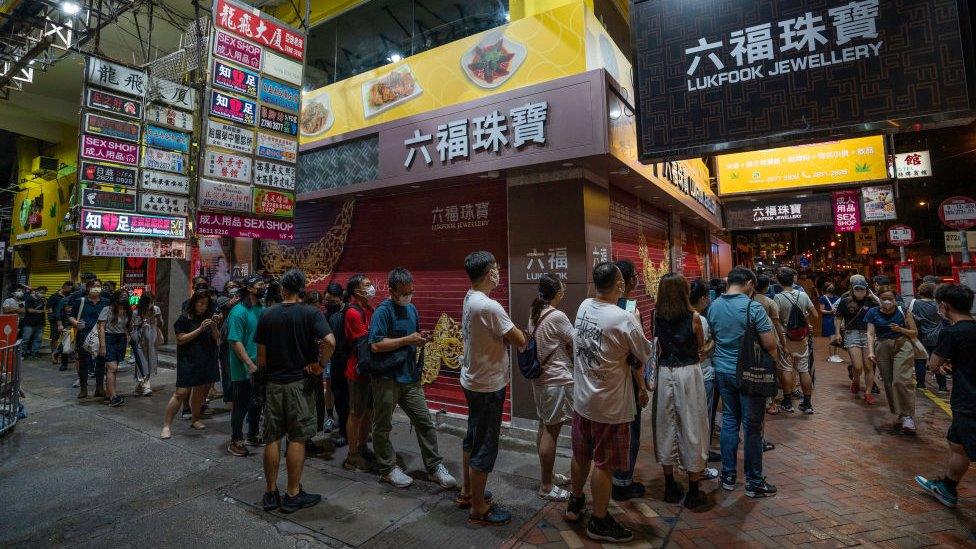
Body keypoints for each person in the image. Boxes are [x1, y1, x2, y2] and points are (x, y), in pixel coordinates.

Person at [565, 262, 652, 542]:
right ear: (620, 285)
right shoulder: (623, 318)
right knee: (604, 464)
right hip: (610, 406)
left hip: (583, 401)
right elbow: (645, 352)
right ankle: (599, 521)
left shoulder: (584, 306)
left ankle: (575, 502)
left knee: (581, 455)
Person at [368, 267, 457, 489]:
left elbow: (412, 337)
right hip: (387, 378)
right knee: (382, 425)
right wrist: (408, 339)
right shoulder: (383, 312)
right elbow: (376, 344)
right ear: (391, 291)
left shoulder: (412, 309)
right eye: (403, 292)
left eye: (411, 291)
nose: (408, 296)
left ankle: (434, 467)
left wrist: (420, 338)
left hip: (410, 379)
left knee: (424, 422)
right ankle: (387, 468)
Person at [255, 269, 335, 514]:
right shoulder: (311, 313)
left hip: (274, 384)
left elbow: (261, 359)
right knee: (297, 438)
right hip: (301, 383)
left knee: (272, 437)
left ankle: (270, 493)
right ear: (302, 288)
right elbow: (330, 341)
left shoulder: (267, 315)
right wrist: (320, 365)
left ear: (282, 289)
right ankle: (292, 493)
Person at [458, 251, 525, 526]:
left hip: (472, 379)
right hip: (487, 384)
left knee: (472, 436)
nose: (499, 272)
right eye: (496, 268)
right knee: (485, 445)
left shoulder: (469, 297)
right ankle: (479, 509)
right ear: (488, 273)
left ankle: (467, 491)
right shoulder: (489, 306)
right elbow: (518, 338)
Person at [707, 267, 778, 498]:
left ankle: (727, 476)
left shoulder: (714, 306)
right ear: (748, 283)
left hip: (722, 371)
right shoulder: (753, 307)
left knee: (729, 420)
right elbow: (769, 344)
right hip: (750, 373)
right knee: (752, 426)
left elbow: (713, 337)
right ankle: (754, 481)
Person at [915, 284, 976, 507]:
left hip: (967, 400)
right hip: (965, 397)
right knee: (957, 444)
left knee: (967, 445)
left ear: (944, 306)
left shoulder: (951, 332)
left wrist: (942, 365)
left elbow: (933, 364)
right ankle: (947, 488)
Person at [653, 273, 710, 509]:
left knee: (666, 426)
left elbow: (658, 345)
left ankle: (669, 485)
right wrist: (711, 344)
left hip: (665, 371)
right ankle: (694, 490)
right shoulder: (694, 317)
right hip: (689, 373)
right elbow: (701, 347)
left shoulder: (657, 315)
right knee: (693, 425)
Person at [526, 273, 574, 501]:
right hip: (555, 380)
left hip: (541, 381)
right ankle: (546, 486)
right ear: (556, 293)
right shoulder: (557, 316)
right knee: (551, 431)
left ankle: (548, 475)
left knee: (543, 427)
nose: (564, 292)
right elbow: (576, 340)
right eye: (562, 289)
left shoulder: (536, 313)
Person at [610, 259, 649, 501]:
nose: (637, 279)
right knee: (630, 432)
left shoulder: (599, 305)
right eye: (634, 275)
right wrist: (643, 386)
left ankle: (615, 478)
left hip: (610, 381)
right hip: (627, 381)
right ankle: (623, 482)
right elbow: (635, 356)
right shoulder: (629, 310)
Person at [161, 291, 222, 438]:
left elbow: (217, 339)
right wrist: (200, 329)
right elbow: (181, 339)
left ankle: (196, 418)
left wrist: (214, 326)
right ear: (194, 302)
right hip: (188, 360)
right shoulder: (185, 318)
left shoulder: (208, 317)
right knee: (181, 392)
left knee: (200, 391)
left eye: (205, 303)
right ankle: (166, 425)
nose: (202, 306)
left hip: (206, 358)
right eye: (200, 303)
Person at [866, 287, 919, 434]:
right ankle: (900, 413)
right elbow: (870, 334)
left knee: (901, 380)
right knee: (888, 382)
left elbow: (914, 332)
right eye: (884, 298)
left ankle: (908, 415)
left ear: (895, 299)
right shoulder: (872, 312)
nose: (888, 301)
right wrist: (870, 351)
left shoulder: (903, 310)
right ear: (879, 299)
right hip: (882, 346)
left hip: (902, 344)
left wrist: (900, 330)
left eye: (891, 298)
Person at [226, 275, 267, 456]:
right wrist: (249, 363)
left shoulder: (261, 308)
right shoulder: (238, 312)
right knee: (241, 404)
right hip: (243, 367)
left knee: (257, 402)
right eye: (260, 285)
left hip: (259, 365)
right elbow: (235, 341)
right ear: (250, 288)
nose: (263, 287)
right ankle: (236, 439)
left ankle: (253, 433)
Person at [340, 274, 377, 471]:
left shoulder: (370, 309)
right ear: (356, 291)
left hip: (369, 371)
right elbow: (364, 342)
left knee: (368, 411)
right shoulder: (353, 313)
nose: (372, 288)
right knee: (355, 413)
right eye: (367, 285)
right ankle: (351, 456)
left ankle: (362, 447)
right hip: (357, 371)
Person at [773, 268, 819, 414]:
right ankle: (807, 403)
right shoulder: (803, 295)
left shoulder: (778, 298)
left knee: (786, 368)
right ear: (793, 280)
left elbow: (776, 321)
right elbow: (815, 314)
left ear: (779, 281)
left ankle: (787, 402)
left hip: (786, 338)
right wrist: (805, 322)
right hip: (802, 338)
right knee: (803, 370)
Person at [690, 279, 721, 470]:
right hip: (704, 373)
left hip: (689, 374)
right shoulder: (698, 319)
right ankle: (701, 459)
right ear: (702, 298)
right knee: (703, 418)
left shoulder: (677, 316)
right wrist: (714, 342)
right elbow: (702, 351)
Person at [833, 278, 879, 403]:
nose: (859, 292)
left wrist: (874, 297)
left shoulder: (871, 302)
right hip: (851, 333)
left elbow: (886, 308)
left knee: (869, 366)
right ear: (852, 290)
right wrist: (837, 333)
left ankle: (868, 393)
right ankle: (856, 380)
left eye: (862, 289)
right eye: (857, 289)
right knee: (858, 366)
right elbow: (838, 317)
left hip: (868, 334)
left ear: (866, 290)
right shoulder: (845, 301)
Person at [68, 279, 110, 399]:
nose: (96, 288)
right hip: (84, 336)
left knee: (101, 363)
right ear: (88, 288)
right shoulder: (80, 302)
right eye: (94, 286)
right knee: (83, 364)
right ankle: (83, 389)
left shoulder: (106, 302)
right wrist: (76, 323)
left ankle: (99, 388)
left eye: (99, 286)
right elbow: (70, 316)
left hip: (101, 337)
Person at [910, 282, 947, 393]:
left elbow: (909, 316)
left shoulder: (915, 303)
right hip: (938, 335)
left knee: (920, 360)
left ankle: (921, 384)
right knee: (939, 360)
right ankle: (942, 386)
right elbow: (945, 318)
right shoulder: (939, 304)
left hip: (921, 335)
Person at [97, 292, 132, 407]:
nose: (124, 298)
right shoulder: (107, 309)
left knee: (113, 369)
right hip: (109, 338)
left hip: (121, 339)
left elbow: (127, 327)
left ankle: (110, 393)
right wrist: (102, 345)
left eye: (126, 296)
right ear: (116, 298)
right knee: (112, 368)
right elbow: (101, 327)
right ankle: (113, 397)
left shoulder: (128, 310)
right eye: (122, 296)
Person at [322, 282, 344, 435]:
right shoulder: (324, 315)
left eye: (333, 301)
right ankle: (329, 417)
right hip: (328, 356)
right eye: (327, 301)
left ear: (341, 299)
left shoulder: (346, 313)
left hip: (343, 357)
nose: (329, 304)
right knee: (329, 387)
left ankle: (344, 420)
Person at [133, 292, 163, 396]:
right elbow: (133, 327)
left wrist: (157, 318)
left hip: (152, 337)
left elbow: (161, 324)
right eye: (149, 302)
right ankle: (144, 384)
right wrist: (141, 323)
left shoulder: (156, 309)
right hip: (141, 339)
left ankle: (142, 385)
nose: (151, 304)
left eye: (152, 302)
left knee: (151, 359)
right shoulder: (137, 312)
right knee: (141, 360)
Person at [48, 281, 72, 368]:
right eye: (68, 288)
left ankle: (58, 353)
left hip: (68, 321)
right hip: (57, 321)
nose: (69, 289)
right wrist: (58, 323)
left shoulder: (69, 298)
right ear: (64, 287)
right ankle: (54, 353)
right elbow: (51, 310)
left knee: (66, 339)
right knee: (55, 338)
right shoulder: (54, 297)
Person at [819, 282, 844, 364]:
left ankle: (836, 355)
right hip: (828, 319)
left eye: (833, 286)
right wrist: (830, 311)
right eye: (830, 287)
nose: (832, 288)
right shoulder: (823, 298)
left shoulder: (837, 298)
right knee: (832, 338)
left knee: (837, 338)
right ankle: (831, 356)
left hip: (836, 319)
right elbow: (821, 310)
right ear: (826, 288)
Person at [22, 286, 47, 359]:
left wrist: (45, 304)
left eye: (44, 293)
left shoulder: (43, 300)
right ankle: (23, 353)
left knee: (38, 339)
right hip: (29, 322)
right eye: (41, 292)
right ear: (36, 291)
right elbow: (29, 310)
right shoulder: (29, 299)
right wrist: (41, 311)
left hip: (40, 322)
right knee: (26, 339)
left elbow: (47, 309)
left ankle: (34, 353)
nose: (42, 294)